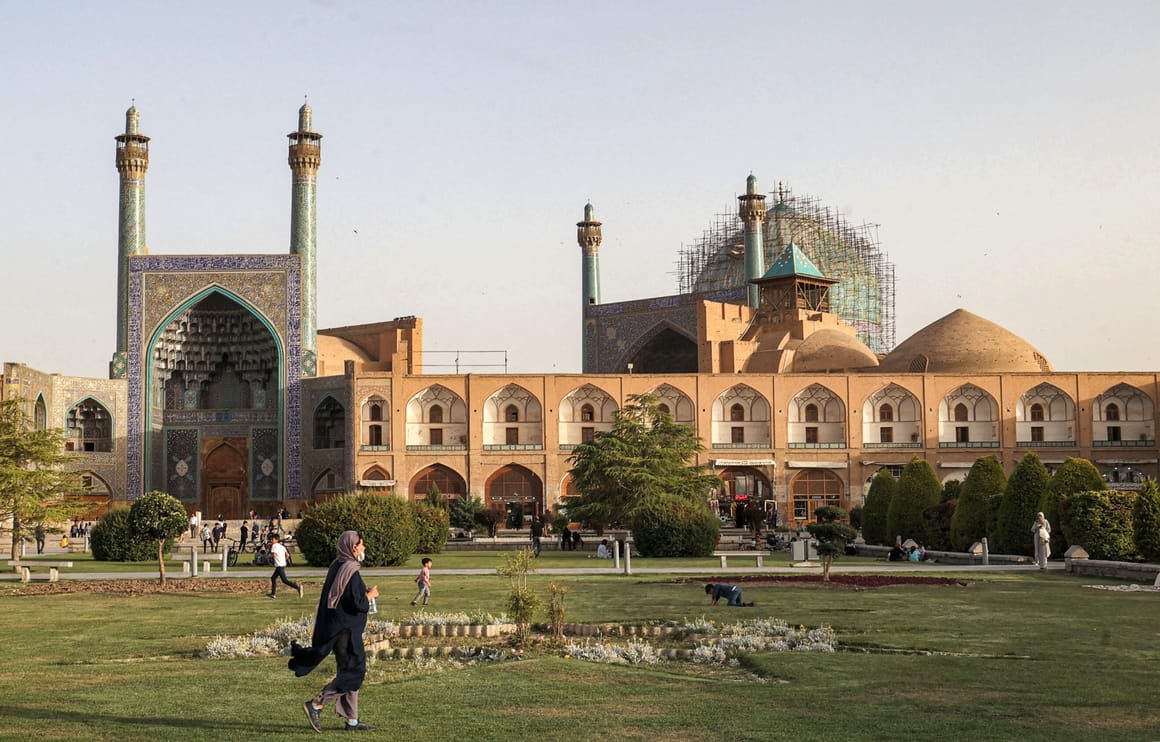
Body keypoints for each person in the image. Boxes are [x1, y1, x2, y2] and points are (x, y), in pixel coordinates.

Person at [289, 530, 377, 733]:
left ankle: (352, 721)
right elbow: (357, 603)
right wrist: (370, 595)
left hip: (339, 630)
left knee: (348, 670)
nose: (364, 548)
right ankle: (316, 704)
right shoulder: (350, 570)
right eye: (361, 544)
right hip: (346, 632)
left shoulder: (337, 566)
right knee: (354, 671)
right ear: (353, 547)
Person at [267, 533, 303, 599]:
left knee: (285, 580)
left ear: (276, 540)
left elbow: (273, 555)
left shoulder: (274, 546)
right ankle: (273, 594)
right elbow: (287, 555)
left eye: (272, 539)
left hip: (279, 565)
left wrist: (270, 557)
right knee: (273, 578)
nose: (271, 540)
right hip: (282, 564)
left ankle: (297, 587)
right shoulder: (282, 546)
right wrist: (283, 560)